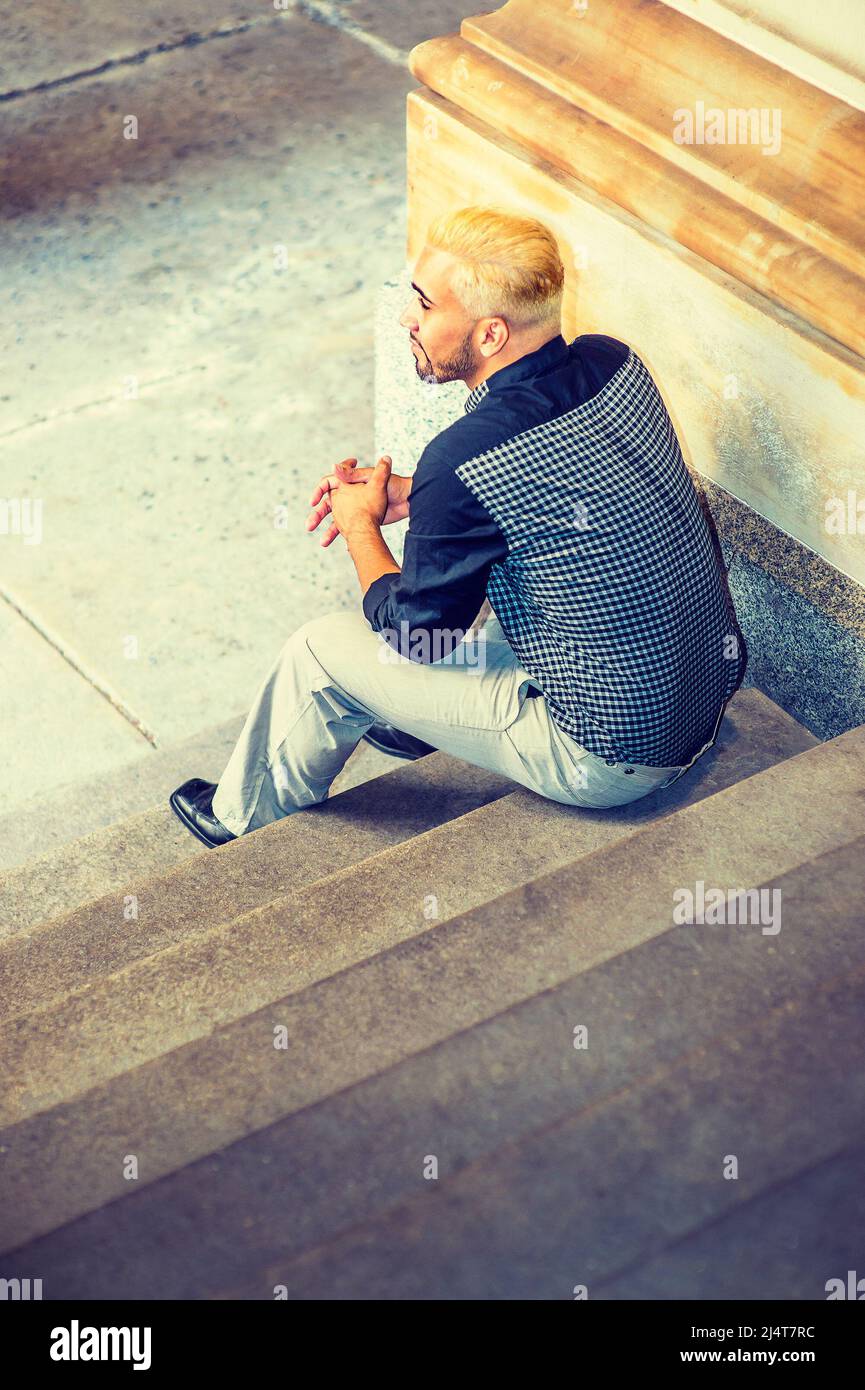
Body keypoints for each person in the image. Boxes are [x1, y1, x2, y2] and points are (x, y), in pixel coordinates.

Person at [169, 204, 747, 848]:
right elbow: (565, 484)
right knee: (520, 578)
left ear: (491, 335)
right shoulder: (613, 363)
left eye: (424, 304)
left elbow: (419, 641)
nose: (405, 318)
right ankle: (415, 719)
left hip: (610, 758)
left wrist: (363, 526)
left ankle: (241, 817)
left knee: (319, 651)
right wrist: (419, 494)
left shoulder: (462, 458)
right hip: (701, 688)